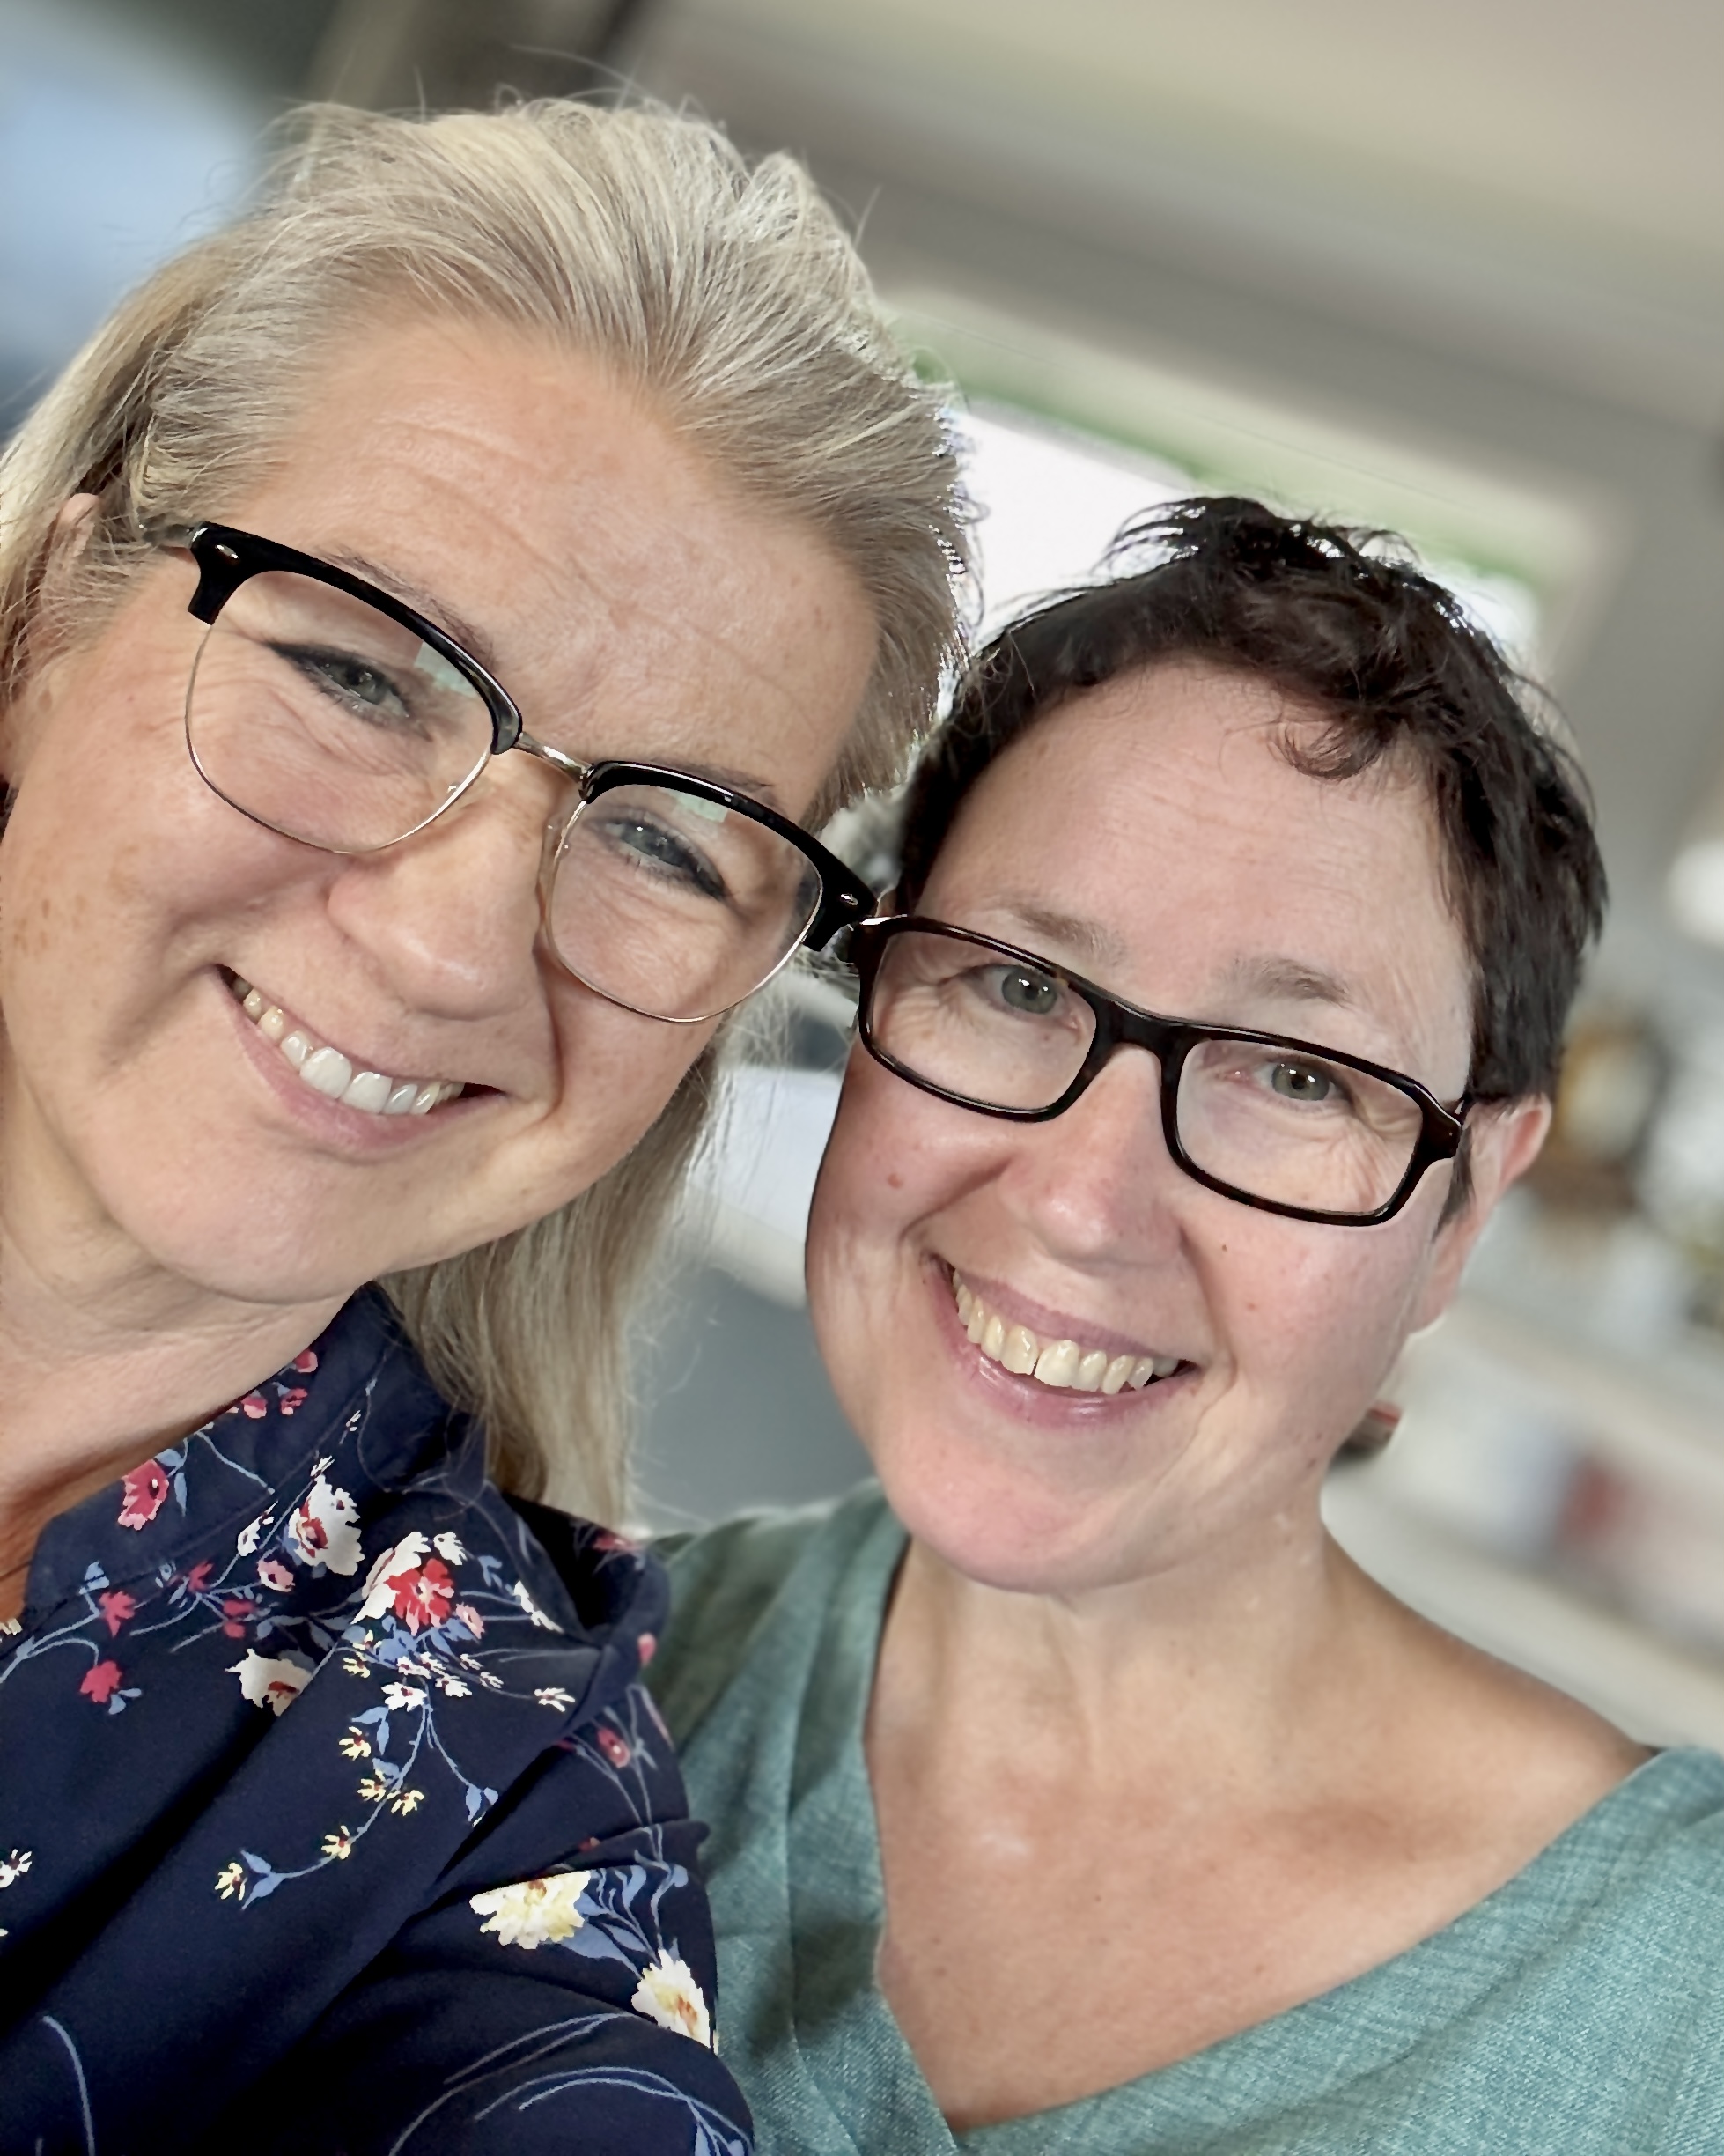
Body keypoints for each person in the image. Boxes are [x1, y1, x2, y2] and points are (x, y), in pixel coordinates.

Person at [0, 97, 964, 2152]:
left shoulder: (499, 1813)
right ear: (48, 631)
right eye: (361, 676)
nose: (449, 947)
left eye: (666, 842)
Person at [650, 498, 1724, 2154]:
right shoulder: (539, 1698)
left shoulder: (1686, 2011)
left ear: (1461, 1212)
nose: (1085, 1205)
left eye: (1296, 1076)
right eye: (1014, 983)